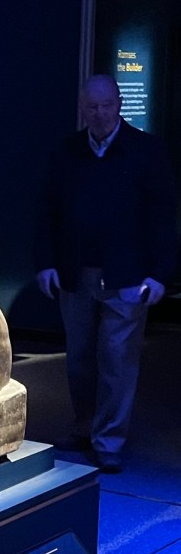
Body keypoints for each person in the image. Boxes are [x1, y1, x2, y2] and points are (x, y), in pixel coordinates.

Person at [36, 74, 178, 473]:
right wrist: (45, 263)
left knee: (118, 360)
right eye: (92, 107)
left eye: (106, 106)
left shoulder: (146, 151)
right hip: (75, 272)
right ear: (83, 108)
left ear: (119, 104)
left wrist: (160, 274)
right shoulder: (67, 151)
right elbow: (47, 212)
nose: (100, 114)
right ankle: (84, 426)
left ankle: (109, 439)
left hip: (128, 274)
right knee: (79, 358)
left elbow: (163, 218)